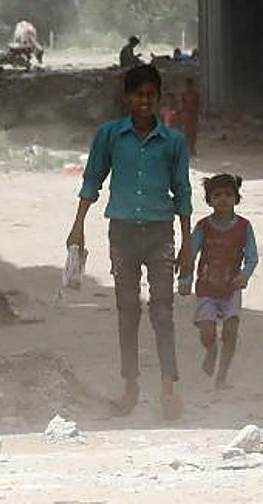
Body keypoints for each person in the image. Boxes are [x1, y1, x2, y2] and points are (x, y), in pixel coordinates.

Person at [66, 63, 192, 420]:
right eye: (138, 95)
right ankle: (131, 388)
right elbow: (92, 181)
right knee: (127, 311)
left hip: (160, 233)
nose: (144, 101)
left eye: (151, 95)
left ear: (158, 97)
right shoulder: (108, 136)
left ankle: (168, 390)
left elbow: (182, 192)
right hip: (121, 233)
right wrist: (78, 226)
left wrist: (186, 243)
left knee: (163, 311)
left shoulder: (174, 141)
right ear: (127, 97)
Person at [178, 174, 258, 390]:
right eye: (217, 195)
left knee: (230, 333)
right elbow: (190, 254)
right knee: (207, 333)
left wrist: (245, 275)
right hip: (207, 289)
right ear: (209, 200)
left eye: (228, 194)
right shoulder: (203, 227)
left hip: (232, 288)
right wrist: (184, 279)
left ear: (236, 198)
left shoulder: (244, 226)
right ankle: (211, 351)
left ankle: (222, 375)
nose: (223, 199)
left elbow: (252, 256)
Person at [177, 77, 199, 156]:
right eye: (187, 85)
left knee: (193, 133)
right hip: (185, 116)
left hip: (193, 116)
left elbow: (198, 105)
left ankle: (192, 148)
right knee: (186, 133)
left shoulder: (195, 94)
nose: (188, 86)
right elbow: (181, 106)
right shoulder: (182, 94)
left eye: (190, 85)